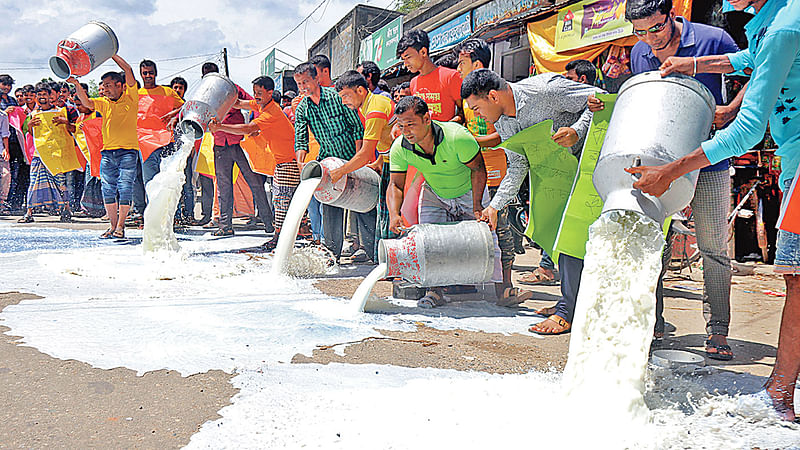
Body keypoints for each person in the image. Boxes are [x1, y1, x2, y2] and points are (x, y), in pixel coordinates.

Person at [629, 0, 799, 422]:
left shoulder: (782, 27)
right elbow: (751, 58)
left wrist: (671, 170)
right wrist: (691, 66)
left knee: (795, 280)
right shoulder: (774, 17)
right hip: (791, 156)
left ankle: (779, 391)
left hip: (735, 160)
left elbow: (746, 129)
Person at [589, 0, 742, 359]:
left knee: (713, 248)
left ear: (672, 17)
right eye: (639, 32)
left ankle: (717, 330)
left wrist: (732, 109)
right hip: (656, 163)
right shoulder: (641, 52)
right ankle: (650, 322)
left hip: (710, 160)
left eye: (655, 28)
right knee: (647, 239)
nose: (649, 40)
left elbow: (759, 72)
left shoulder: (712, 39)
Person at [462, 68, 602, 334]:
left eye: (476, 108)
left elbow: (599, 98)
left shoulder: (546, 89)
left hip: (590, 171)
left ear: (493, 96)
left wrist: (577, 130)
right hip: (555, 180)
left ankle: (567, 312)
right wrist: (495, 205)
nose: (476, 114)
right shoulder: (503, 122)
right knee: (555, 239)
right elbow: (517, 165)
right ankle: (573, 303)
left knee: (572, 240)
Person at [387, 96, 503, 307]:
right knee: (428, 241)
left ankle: (504, 290)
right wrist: (394, 214)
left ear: (427, 119)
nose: (406, 131)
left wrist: (477, 205)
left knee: (489, 238)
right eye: (401, 125)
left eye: (411, 124)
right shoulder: (400, 147)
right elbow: (395, 184)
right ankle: (435, 292)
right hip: (435, 192)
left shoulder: (456, 137)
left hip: (469, 189)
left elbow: (478, 169)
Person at [454, 38, 530, 305]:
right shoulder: (467, 97)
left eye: (461, 63)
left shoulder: (496, 93)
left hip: (499, 171)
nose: (457, 68)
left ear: (476, 63)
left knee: (504, 231)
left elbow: (501, 136)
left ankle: (506, 287)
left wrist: (469, 142)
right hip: (476, 173)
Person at [209, 75, 298, 250]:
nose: (255, 96)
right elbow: (239, 104)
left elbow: (248, 128)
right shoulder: (261, 105)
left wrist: (220, 127)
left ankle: (280, 238)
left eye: (259, 93)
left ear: (270, 93)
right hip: (282, 161)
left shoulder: (271, 113)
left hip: (289, 162)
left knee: (282, 201)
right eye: (254, 92)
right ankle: (280, 237)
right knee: (281, 200)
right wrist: (218, 100)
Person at [293, 62, 364, 259]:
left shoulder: (336, 97)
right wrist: (301, 164)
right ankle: (333, 252)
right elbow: (300, 138)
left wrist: (358, 159)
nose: (303, 87)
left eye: (306, 81)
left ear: (317, 78)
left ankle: (366, 248)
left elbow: (357, 127)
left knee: (361, 202)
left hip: (350, 156)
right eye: (299, 84)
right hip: (329, 161)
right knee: (330, 202)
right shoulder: (303, 108)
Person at [69, 55, 139, 238]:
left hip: (128, 152)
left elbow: (129, 71)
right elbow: (86, 103)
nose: (105, 89)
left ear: (120, 85)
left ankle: (121, 226)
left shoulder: (131, 97)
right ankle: (113, 226)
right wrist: (76, 84)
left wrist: (111, 53)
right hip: (107, 153)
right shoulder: (104, 103)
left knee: (125, 187)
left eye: (108, 85)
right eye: (103, 85)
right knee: (107, 188)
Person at [203, 62, 274, 237]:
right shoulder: (203, 94)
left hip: (240, 142)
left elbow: (254, 104)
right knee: (224, 186)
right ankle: (226, 226)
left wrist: (256, 126)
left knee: (255, 183)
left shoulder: (232, 88)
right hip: (220, 144)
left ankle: (268, 223)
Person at [333, 70, 394, 260]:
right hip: (391, 161)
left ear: (360, 90)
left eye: (345, 96)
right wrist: (379, 161)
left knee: (393, 214)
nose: (343, 102)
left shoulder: (374, 108)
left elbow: (366, 153)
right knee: (387, 213)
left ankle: (394, 261)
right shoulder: (366, 106)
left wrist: (340, 172)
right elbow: (386, 139)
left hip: (403, 165)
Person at [133, 60, 184, 220]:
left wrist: (174, 114)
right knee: (150, 183)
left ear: (156, 73)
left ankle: (171, 217)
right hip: (144, 144)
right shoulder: (136, 94)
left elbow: (186, 105)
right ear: (141, 74)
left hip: (166, 142)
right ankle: (153, 219)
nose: (148, 76)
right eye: (145, 73)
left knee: (168, 181)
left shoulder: (168, 92)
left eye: (150, 72)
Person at [18, 83, 73, 223]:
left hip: (56, 153)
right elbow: (32, 134)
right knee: (34, 182)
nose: (42, 97)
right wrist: (29, 126)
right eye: (39, 95)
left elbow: (71, 130)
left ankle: (66, 209)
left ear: (50, 96)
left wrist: (65, 122)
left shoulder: (60, 112)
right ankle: (29, 213)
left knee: (60, 182)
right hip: (39, 153)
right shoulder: (34, 114)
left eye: (44, 94)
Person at [397, 30, 463, 122]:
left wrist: (449, 125)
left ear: (423, 52)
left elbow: (464, 111)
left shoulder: (451, 76)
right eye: (403, 59)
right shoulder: (413, 83)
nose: (406, 64)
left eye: (408, 57)